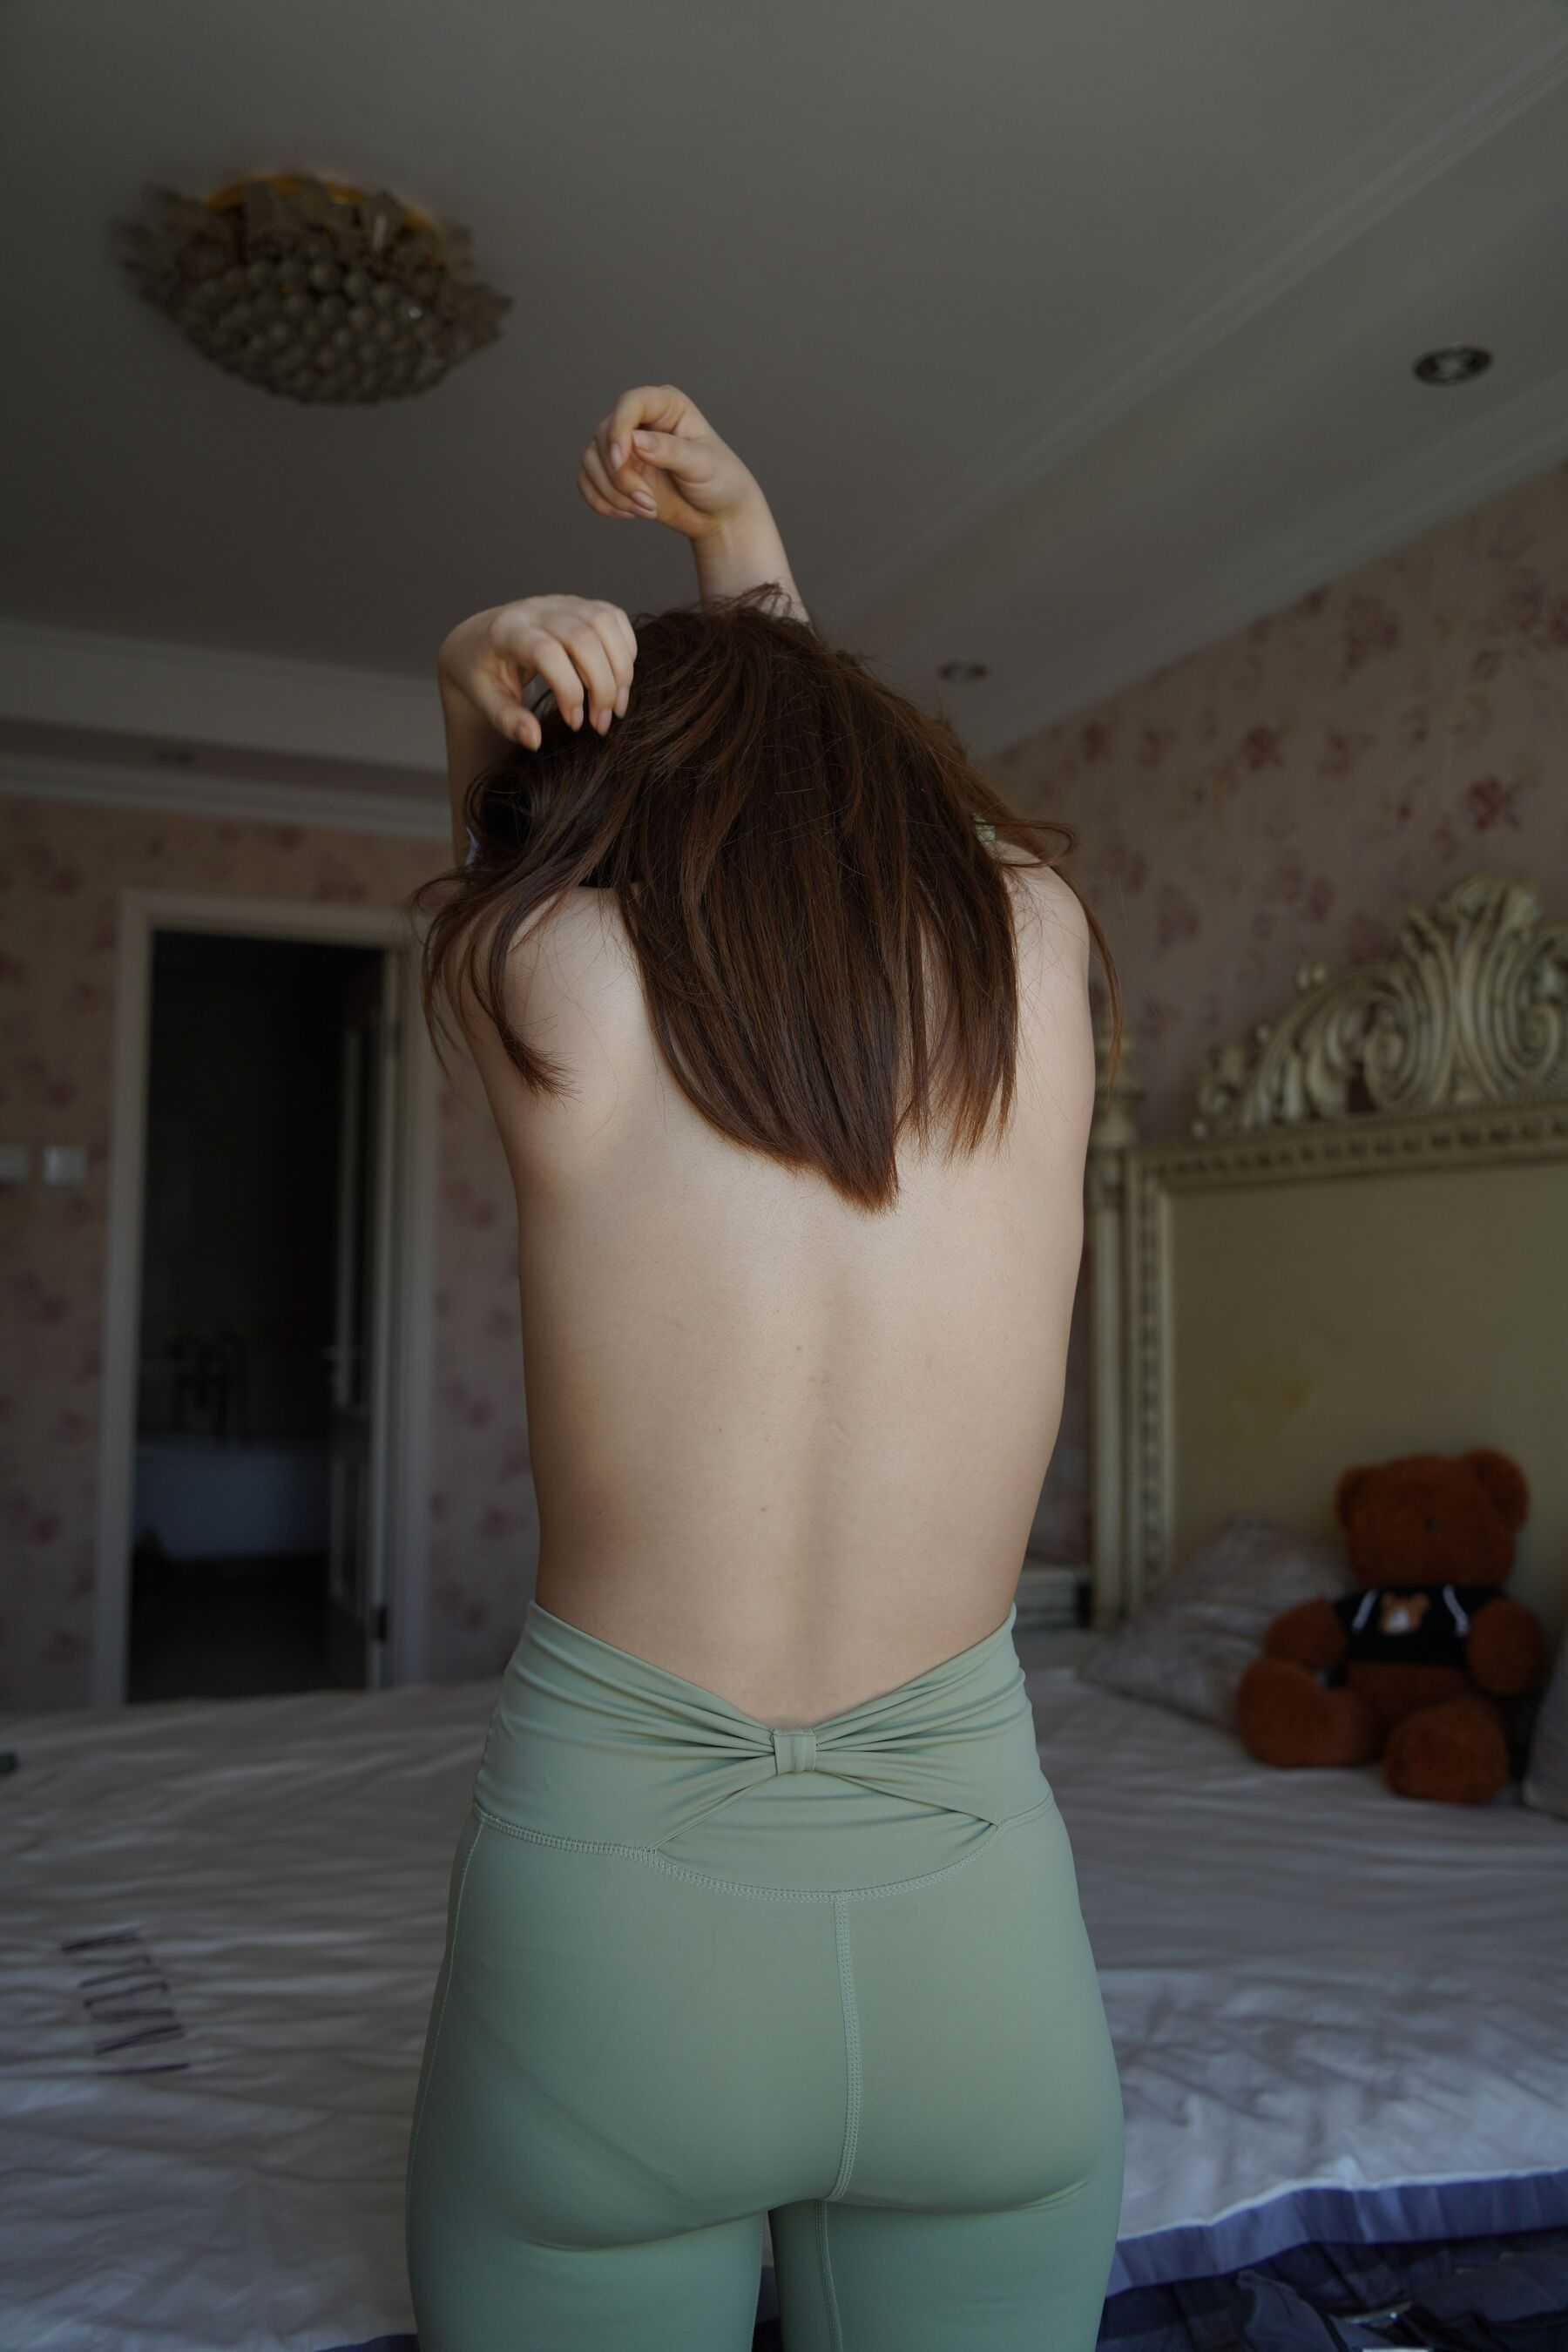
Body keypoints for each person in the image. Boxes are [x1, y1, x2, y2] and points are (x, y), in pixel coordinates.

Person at [402, 383, 1125, 2350]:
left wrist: (475, 678)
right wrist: (745, 544)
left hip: (614, 1946)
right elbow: (824, 804)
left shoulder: (551, 981)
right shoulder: (1038, 951)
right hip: (979, 1952)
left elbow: (506, 852)